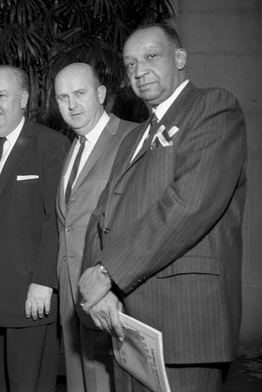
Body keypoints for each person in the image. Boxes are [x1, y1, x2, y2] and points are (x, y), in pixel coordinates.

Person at [79, 23, 247, 392]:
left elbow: (189, 205)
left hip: (183, 325)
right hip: (126, 323)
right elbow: (102, 217)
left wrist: (107, 272)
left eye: (151, 57)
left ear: (180, 59)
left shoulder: (213, 107)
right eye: (130, 63)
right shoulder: (134, 137)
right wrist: (98, 289)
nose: (139, 71)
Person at [0, 65, 70, 392]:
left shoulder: (51, 144)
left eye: (1, 95)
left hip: (30, 297)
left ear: (23, 99)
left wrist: (43, 282)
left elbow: (57, 219)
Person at [54, 63, 136, 392]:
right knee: (81, 381)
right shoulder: (73, 146)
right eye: (62, 97)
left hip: (110, 290)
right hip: (73, 293)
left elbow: (137, 217)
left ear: (101, 94)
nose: (71, 104)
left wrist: (114, 283)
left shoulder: (131, 136)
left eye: (79, 93)